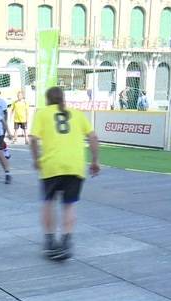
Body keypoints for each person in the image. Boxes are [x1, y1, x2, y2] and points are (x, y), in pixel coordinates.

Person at [30, 87, 100, 260]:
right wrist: (95, 161)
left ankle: (50, 243)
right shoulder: (77, 113)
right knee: (69, 206)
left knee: (48, 203)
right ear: (63, 99)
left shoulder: (42, 113)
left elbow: (32, 139)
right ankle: (66, 243)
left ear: (47, 100)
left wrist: (36, 158)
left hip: (51, 166)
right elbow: (93, 137)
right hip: (74, 166)